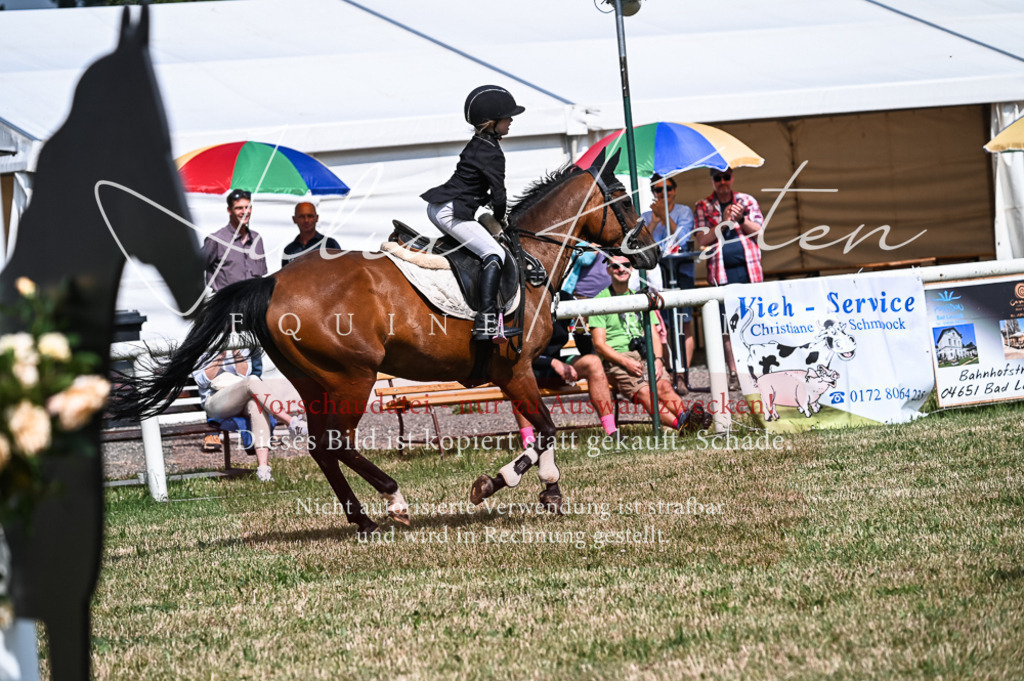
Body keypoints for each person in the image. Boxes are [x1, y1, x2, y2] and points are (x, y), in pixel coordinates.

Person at [421, 84, 525, 340]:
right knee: (494, 252)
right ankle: (486, 321)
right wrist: (501, 216)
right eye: (507, 117)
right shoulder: (492, 152)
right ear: (491, 122)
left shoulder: (479, 143)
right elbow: (499, 195)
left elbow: (476, 185)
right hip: (451, 211)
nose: (511, 120)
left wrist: (489, 202)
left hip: (441, 205)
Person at [589, 256, 711, 433]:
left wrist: (659, 360)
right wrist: (626, 362)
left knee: (664, 386)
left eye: (626, 265)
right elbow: (599, 345)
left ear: (632, 269)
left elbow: (654, 335)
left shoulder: (640, 299)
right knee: (646, 391)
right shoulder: (600, 301)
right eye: (615, 266)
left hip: (646, 356)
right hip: (618, 359)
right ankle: (684, 425)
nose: (621, 269)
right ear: (608, 270)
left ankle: (687, 419)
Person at [512, 292, 620, 446]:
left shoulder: (566, 299)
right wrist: (552, 362)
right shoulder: (524, 297)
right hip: (527, 367)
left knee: (593, 362)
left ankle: (611, 431)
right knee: (516, 375)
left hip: (556, 367)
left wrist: (580, 330)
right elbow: (519, 353)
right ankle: (529, 441)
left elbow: (585, 351)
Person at [693, 167, 765, 387]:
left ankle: (757, 369)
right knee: (727, 326)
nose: (722, 182)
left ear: (732, 178)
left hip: (749, 271)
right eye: (718, 178)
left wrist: (741, 218)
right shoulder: (703, 206)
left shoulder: (746, 200)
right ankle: (735, 373)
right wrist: (723, 222)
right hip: (721, 273)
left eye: (726, 177)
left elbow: (759, 232)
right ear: (712, 181)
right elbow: (703, 240)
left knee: (755, 322)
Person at [193, 349, 306, 482]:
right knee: (252, 380)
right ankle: (289, 421)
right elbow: (201, 381)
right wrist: (219, 358)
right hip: (215, 403)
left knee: (256, 405)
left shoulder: (237, 341)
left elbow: (243, 374)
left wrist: (236, 354)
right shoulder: (203, 342)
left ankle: (263, 470)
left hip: (238, 399)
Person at [643, 172, 697, 370]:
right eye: (659, 189)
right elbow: (642, 244)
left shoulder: (684, 211)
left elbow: (682, 240)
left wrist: (664, 215)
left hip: (681, 268)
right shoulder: (646, 215)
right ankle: (669, 369)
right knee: (661, 322)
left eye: (668, 188)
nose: (664, 193)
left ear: (675, 190)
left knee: (685, 319)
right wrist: (655, 220)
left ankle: (684, 371)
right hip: (657, 271)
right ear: (653, 192)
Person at [203, 188, 267, 292]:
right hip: (226, 305)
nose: (244, 212)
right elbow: (194, 269)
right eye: (239, 208)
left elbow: (262, 275)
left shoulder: (257, 239)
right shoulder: (216, 240)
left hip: (253, 303)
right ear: (229, 210)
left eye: (248, 207)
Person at [281, 201, 341, 268]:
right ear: (294, 219)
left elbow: (341, 272)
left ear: (317, 218)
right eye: (302, 217)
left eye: (310, 216)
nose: (306, 220)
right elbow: (285, 277)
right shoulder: (289, 250)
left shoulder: (330, 244)